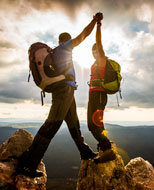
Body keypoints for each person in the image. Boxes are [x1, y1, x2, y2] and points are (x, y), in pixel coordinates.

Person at [16, 13, 103, 178]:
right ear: (66, 41)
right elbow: (83, 35)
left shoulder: (56, 52)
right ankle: (27, 165)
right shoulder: (65, 48)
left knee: (74, 125)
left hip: (68, 92)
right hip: (63, 92)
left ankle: (85, 152)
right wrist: (95, 21)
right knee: (51, 126)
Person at [87, 17, 116, 163]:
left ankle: (107, 150)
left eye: (96, 51)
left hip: (98, 94)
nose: (95, 53)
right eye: (93, 51)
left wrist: (98, 24)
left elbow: (99, 42)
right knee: (98, 123)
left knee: (92, 125)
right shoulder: (95, 64)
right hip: (95, 95)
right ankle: (104, 146)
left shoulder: (102, 60)